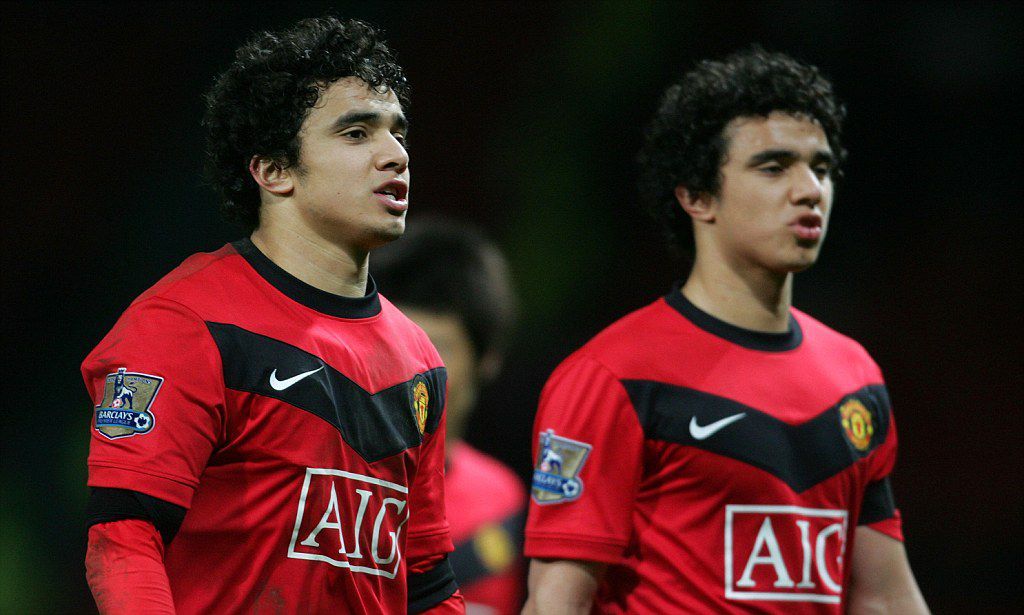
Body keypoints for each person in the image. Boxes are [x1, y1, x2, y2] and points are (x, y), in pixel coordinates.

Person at [522, 48, 929, 613]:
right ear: (696, 195)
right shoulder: (614, 376)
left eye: (821, 168)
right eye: (774, 167)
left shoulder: (855, 377)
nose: (810, 190)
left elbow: (883, 598)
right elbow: (555, 604)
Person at [81, 17, 463, 614]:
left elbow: (428, 584)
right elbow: (124, 538)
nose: (396, 156)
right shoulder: (186, 324)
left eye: (398, 133)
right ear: (274, 170)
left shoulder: (419, 361)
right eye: (356, 133)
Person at [373, 219, 526, 615]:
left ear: (486, 360)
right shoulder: (332, 488)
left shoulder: (504, 500)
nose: (410, 370)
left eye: (436, 346)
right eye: (394, 342)